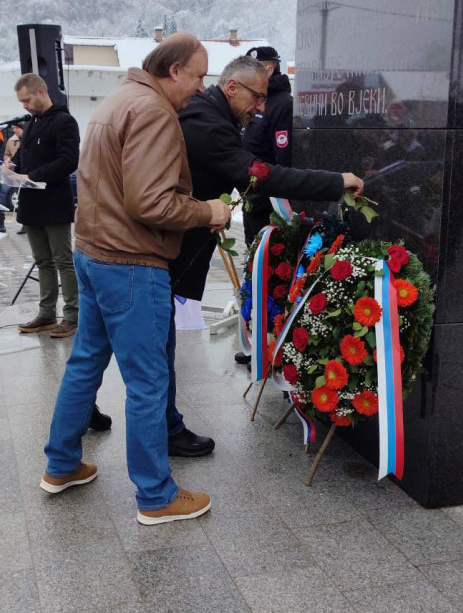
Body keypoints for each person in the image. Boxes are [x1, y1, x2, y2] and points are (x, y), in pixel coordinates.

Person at [40, 33, 231, 524]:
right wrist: (207, 208)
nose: (201, 87)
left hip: (95, 252)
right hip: (130, 261)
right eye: (198, 76)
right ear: (173, 71)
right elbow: (151, 203)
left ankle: (61, 465)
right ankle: (156, 495)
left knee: (85, 362)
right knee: (148, 381)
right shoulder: (153, 112)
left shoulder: (119, 99)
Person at [170, 54, 363, 444]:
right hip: (159, 252)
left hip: (151, 248)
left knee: (102, 346)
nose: (261, 107)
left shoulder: (214, 115)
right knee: (154, 349)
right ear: (232, 88)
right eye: (257, 97)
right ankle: (167, 430)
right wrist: (335, 181)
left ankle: (86, 427)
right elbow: (261, 174)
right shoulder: (207, 123)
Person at [13, 74, 80, 339]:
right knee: (43, 261)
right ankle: (46, 314)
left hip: (54, 203)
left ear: (41, 91)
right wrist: (12, 166)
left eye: (27, 100)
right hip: (31, 203)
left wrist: (32, 176)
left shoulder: (65, 122)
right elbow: (23, 157)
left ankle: (72, 315)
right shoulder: (31, 124)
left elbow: (68, 161)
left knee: (63, 260)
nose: (24, 106)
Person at [241, 45, 293, 245]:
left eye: (251, 69)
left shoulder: (282, 104)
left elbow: (283, 156)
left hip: (270, 202)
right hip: (252, 197)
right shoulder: (256, 101)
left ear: (268, 70)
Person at [3, 121, 29, 233]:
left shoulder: (28, 139)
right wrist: (8, 161)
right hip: (16, 173)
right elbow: (7, 154)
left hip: (27, 175)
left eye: (17, 128)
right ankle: (25, 224)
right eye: (13, 128)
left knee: (28, 200)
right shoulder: (11, 141)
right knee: (21, 199)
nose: (14, 130)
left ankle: (28, 224)